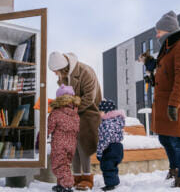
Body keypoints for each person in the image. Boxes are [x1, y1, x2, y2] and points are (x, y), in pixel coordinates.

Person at [151, 11, 180, 187]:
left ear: (168, 30)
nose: (157, 34)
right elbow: (165, 75)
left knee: (177, 140)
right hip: (163, 102)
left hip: (175, 102)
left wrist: (174, 103)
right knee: (164, 138)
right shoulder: (168, 48)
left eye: (159, 31)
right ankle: (174, 168)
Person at [48, 52, 102, 190]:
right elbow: (64, 94)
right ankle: (76, 177)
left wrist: (71, 110)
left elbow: (90, 97)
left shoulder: (86, 72)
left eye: (56, 71)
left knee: (84, 145)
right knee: (74, 147)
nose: (55, 75)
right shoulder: (62, 77)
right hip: (71, 112)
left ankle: (87, 178)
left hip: (88, 109)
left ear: (63, 68)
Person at [48, 84, 80, 192]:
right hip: (72, 144)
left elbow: (49, 128)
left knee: (58, 164)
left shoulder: (56, 113)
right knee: (64, 164)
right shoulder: (75, 113)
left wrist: (41, 137)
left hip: (59, 144)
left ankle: (67, 185)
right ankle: (61, 185)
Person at [97, 99, 125, 191]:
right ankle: (114, 181)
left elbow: (105, 139)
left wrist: (100, 152)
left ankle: (110, 184)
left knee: (107, 165)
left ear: (105, 112)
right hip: (118, 146)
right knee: (112, 165)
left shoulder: (105, 123)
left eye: (99, 111)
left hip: (109, 147)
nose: (98, 113)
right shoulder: (117, 121)